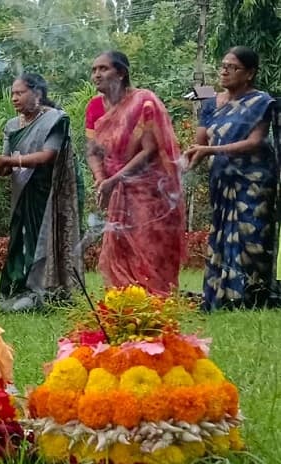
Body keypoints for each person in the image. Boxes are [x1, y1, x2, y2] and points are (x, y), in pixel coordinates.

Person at [184, 46, 279, 311]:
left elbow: (255, 141)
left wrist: (211, 151)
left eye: (233, 67)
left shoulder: (261, 102)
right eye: (223, 66)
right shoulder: (209, 101)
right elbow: (199, 145)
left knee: (252, 236)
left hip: (254, 181)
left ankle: (253, 298)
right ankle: (220, 298)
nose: (224, 71)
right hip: (221, 181)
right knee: (221, 234)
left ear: (249, 73)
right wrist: (178, 170)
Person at [86, 51, 185, 296]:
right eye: (94, 70)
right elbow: (93, 151)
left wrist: (114, 180)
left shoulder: (144, 102)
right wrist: (101, 179)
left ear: (121, 73)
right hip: (116, 188)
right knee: (119, 245)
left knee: (147, 244)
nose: (97, 74)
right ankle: (125, 301)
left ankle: (154, 300)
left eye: (103, 69)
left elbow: (150, 150)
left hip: (150, 189)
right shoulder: (95, 107)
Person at [0, 74, 83, 312]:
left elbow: (49, 156)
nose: (14, 98)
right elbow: (8, 164)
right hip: (23, 192)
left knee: (46, 239)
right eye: (12, 94)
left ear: (37, 93)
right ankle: (20, 293)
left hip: (50, 191)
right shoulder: (12, 125)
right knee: (22, 240)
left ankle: (49, 294)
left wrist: (7, 161)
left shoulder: (55, 119)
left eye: (20, 93)